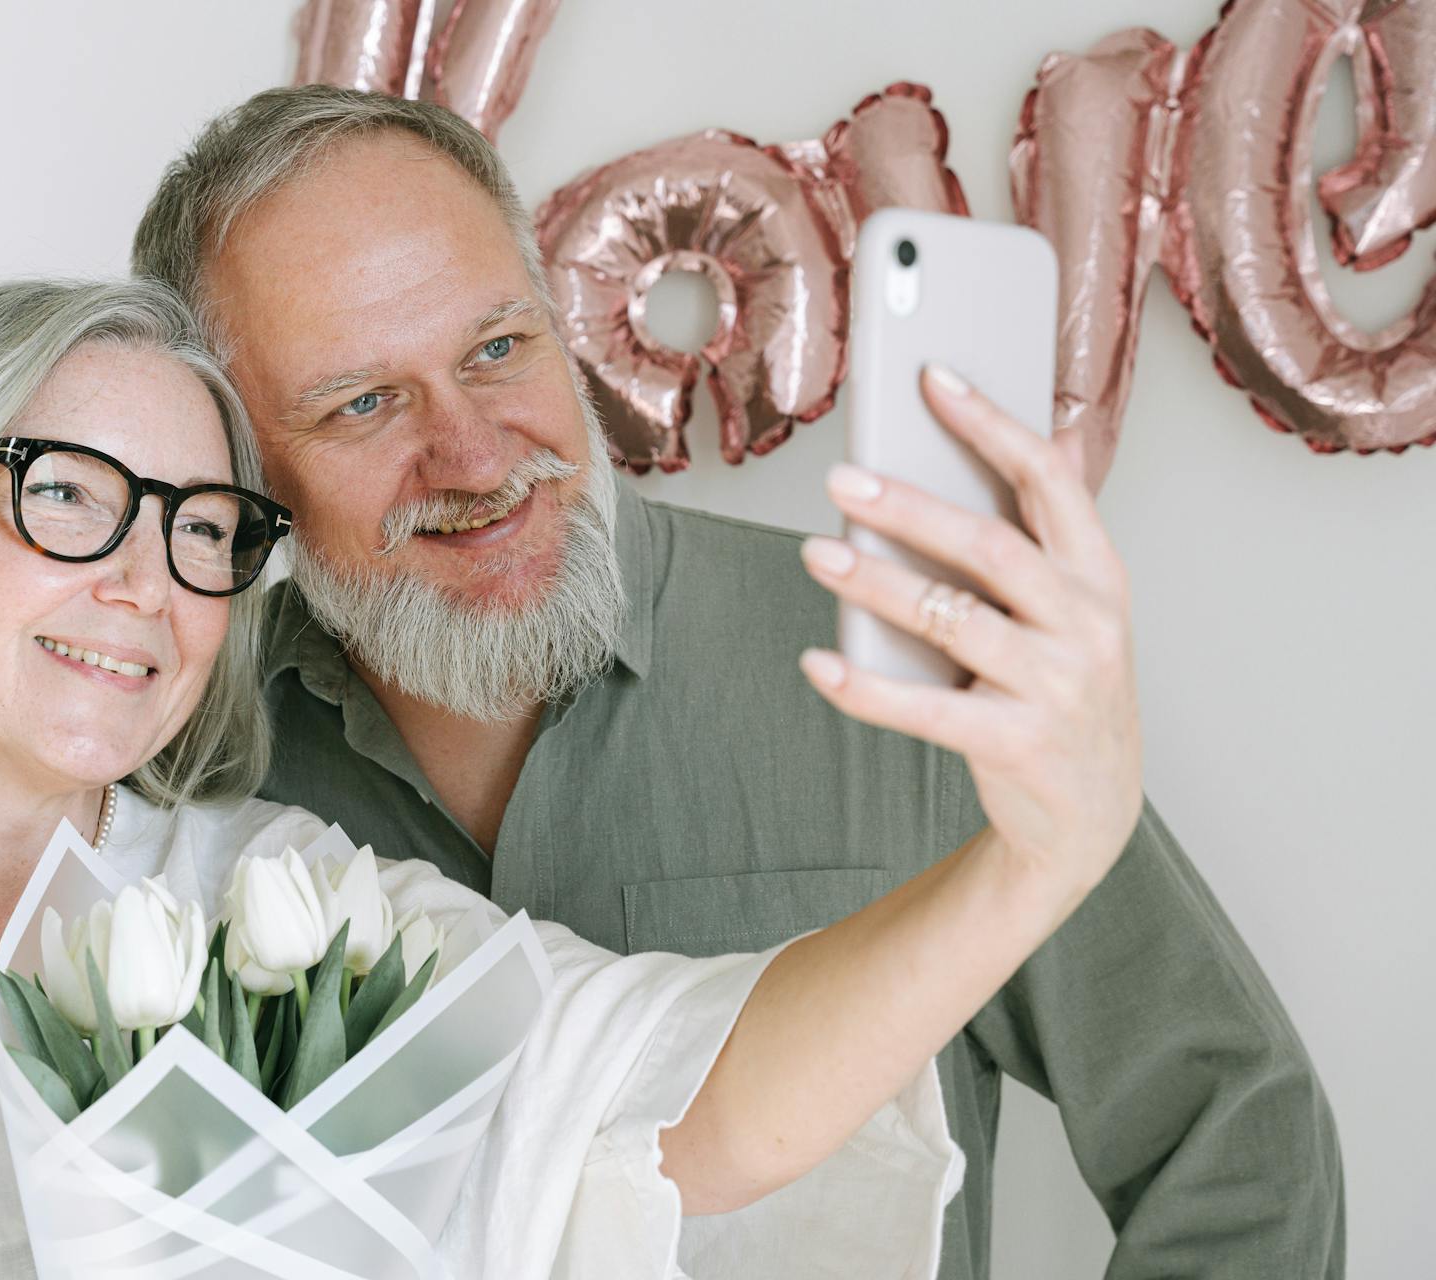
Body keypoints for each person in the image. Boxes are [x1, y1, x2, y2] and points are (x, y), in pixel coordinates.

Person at [0, 278, 1136, 1277]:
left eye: (204, 530)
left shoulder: (283, 914)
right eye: (74, 497)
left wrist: (1038, 863)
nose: (146, 587)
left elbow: (678, 1107)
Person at [124, 86, 1346, 1275]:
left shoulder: (915, 665)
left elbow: (1238, 1136)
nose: (475, 452)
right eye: (364, 403)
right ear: (238, 464)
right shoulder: (173, 758)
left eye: (499, 347)